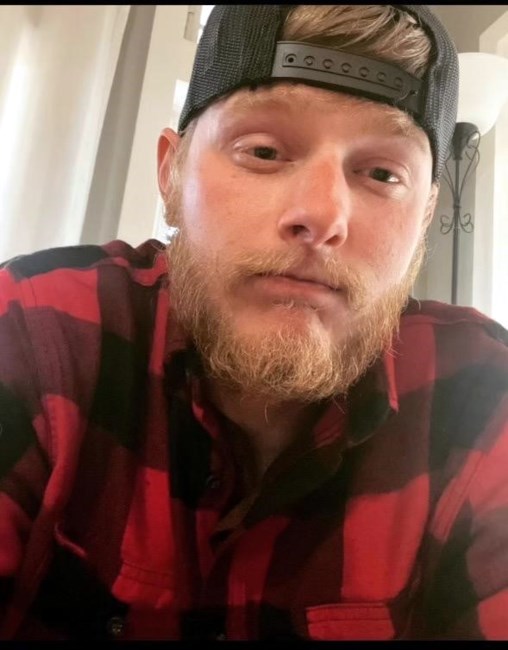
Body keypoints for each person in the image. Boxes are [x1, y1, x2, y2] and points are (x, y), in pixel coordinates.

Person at [0, 4, 507, 641]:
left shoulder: (484, 397)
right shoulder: (34, 329)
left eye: (382, 174)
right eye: (263, 151)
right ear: (171, 174)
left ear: (426, 217)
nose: (322, 215)